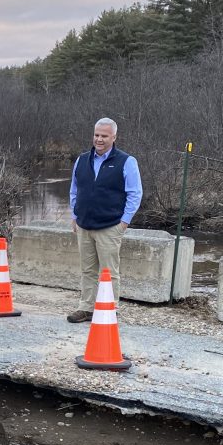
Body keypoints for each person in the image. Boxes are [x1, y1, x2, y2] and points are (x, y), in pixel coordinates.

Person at [67, 117, 143, 323]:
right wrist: (74, 216)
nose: (99, 139)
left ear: (114, 137)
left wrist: (124, 222)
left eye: (104, 136)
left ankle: (109, 309)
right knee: (87, 270)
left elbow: (135, 194)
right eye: (97, 135)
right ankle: (86, 308)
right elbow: (75, 189)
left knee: (109, 271)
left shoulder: (126, 162)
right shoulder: (82, 160)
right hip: (84, 225)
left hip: (110, 226)